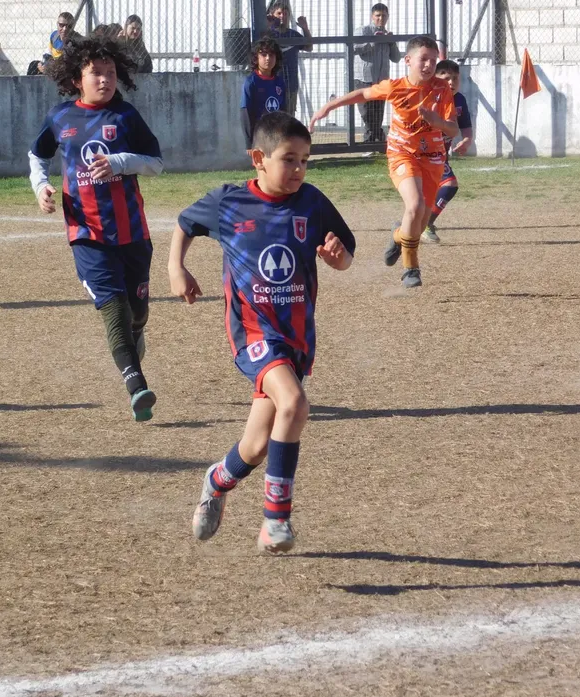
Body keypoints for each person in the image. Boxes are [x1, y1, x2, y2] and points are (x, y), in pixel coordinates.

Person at [169, 111, 355, 554]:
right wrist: (177, 267)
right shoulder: (229, 203)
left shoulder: (311, 203)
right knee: (294, 403)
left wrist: (336, 257)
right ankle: (276, 521)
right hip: (252, 333)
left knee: (254, 447)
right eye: (289, 159)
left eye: (305, 161)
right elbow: (183, 223)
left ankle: (217, 480)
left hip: (296, 339)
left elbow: (345, 251)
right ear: (258, 158)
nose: (298, 170)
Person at [28, 36, 164, 421]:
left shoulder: (126, 117)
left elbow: (156, 162)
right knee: (114, 310)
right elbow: (37, 155)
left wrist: (121, 161)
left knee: (137, 311)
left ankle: (138, 334)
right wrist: (41, 186)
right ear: (77, 79)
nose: (104, 80)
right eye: (96, 74)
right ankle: (137, 386)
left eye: (110, 73)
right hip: (87, 235)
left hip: (133, 234)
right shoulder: (60, 118)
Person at [309, 36, 457, 288]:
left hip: (432, 158)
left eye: (433, 60)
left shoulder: (442, 90)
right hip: (402, 153)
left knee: (419, 222)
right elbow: (364, 94)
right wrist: (330, 106)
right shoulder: (395, 87)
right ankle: (411, 269)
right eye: (423, 59)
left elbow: (452, 129)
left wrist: (437, 121)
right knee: (415, 205)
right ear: (408, 60)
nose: (429, 65)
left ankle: (399, 235)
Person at [423, 59, 473, 243]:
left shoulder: (460, 100)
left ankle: (418, 225)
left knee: (445, 188)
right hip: (423, 155)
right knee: (448, 185)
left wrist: (467, 140)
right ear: (435, 80)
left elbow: (466, 127)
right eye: (446, 78)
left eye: (455, 78)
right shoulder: (426, 98)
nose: (451, 82)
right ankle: (421, 225)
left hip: (439, 157)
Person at [354, 3, 401, 142]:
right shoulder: (363, 31)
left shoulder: (387, 34)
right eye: (378, 16)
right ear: (372, 16)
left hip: (382, 80)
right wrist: (373, 42)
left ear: (388, 17)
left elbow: (396, 58)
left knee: (378, 113)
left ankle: (374, 141)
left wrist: (391, 42)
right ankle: (374, 140)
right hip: (364, 79)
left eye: (384, 16)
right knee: (366, 112)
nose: (381, 18)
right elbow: (354, 49)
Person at [266, 0, 312, 117]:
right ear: (273, 15)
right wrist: (268, 25)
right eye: (279, 13)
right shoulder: (269, 35)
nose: (283, 16)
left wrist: (305, 28)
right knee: (273, 116)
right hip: (272, 84)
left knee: (289, 117)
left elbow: (309, 47)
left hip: (291, 84)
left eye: (286, 14)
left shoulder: (293, 34)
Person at [241, 37, 287, 153]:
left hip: (277, 135)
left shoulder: (279, 82)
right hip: (260, 136)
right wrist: (249, 142)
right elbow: (245, 113)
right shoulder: (251, 82)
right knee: (263, 168)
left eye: (271, 55)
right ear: (256, 58)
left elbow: (284, 111)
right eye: (264, 55)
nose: (268, 58)